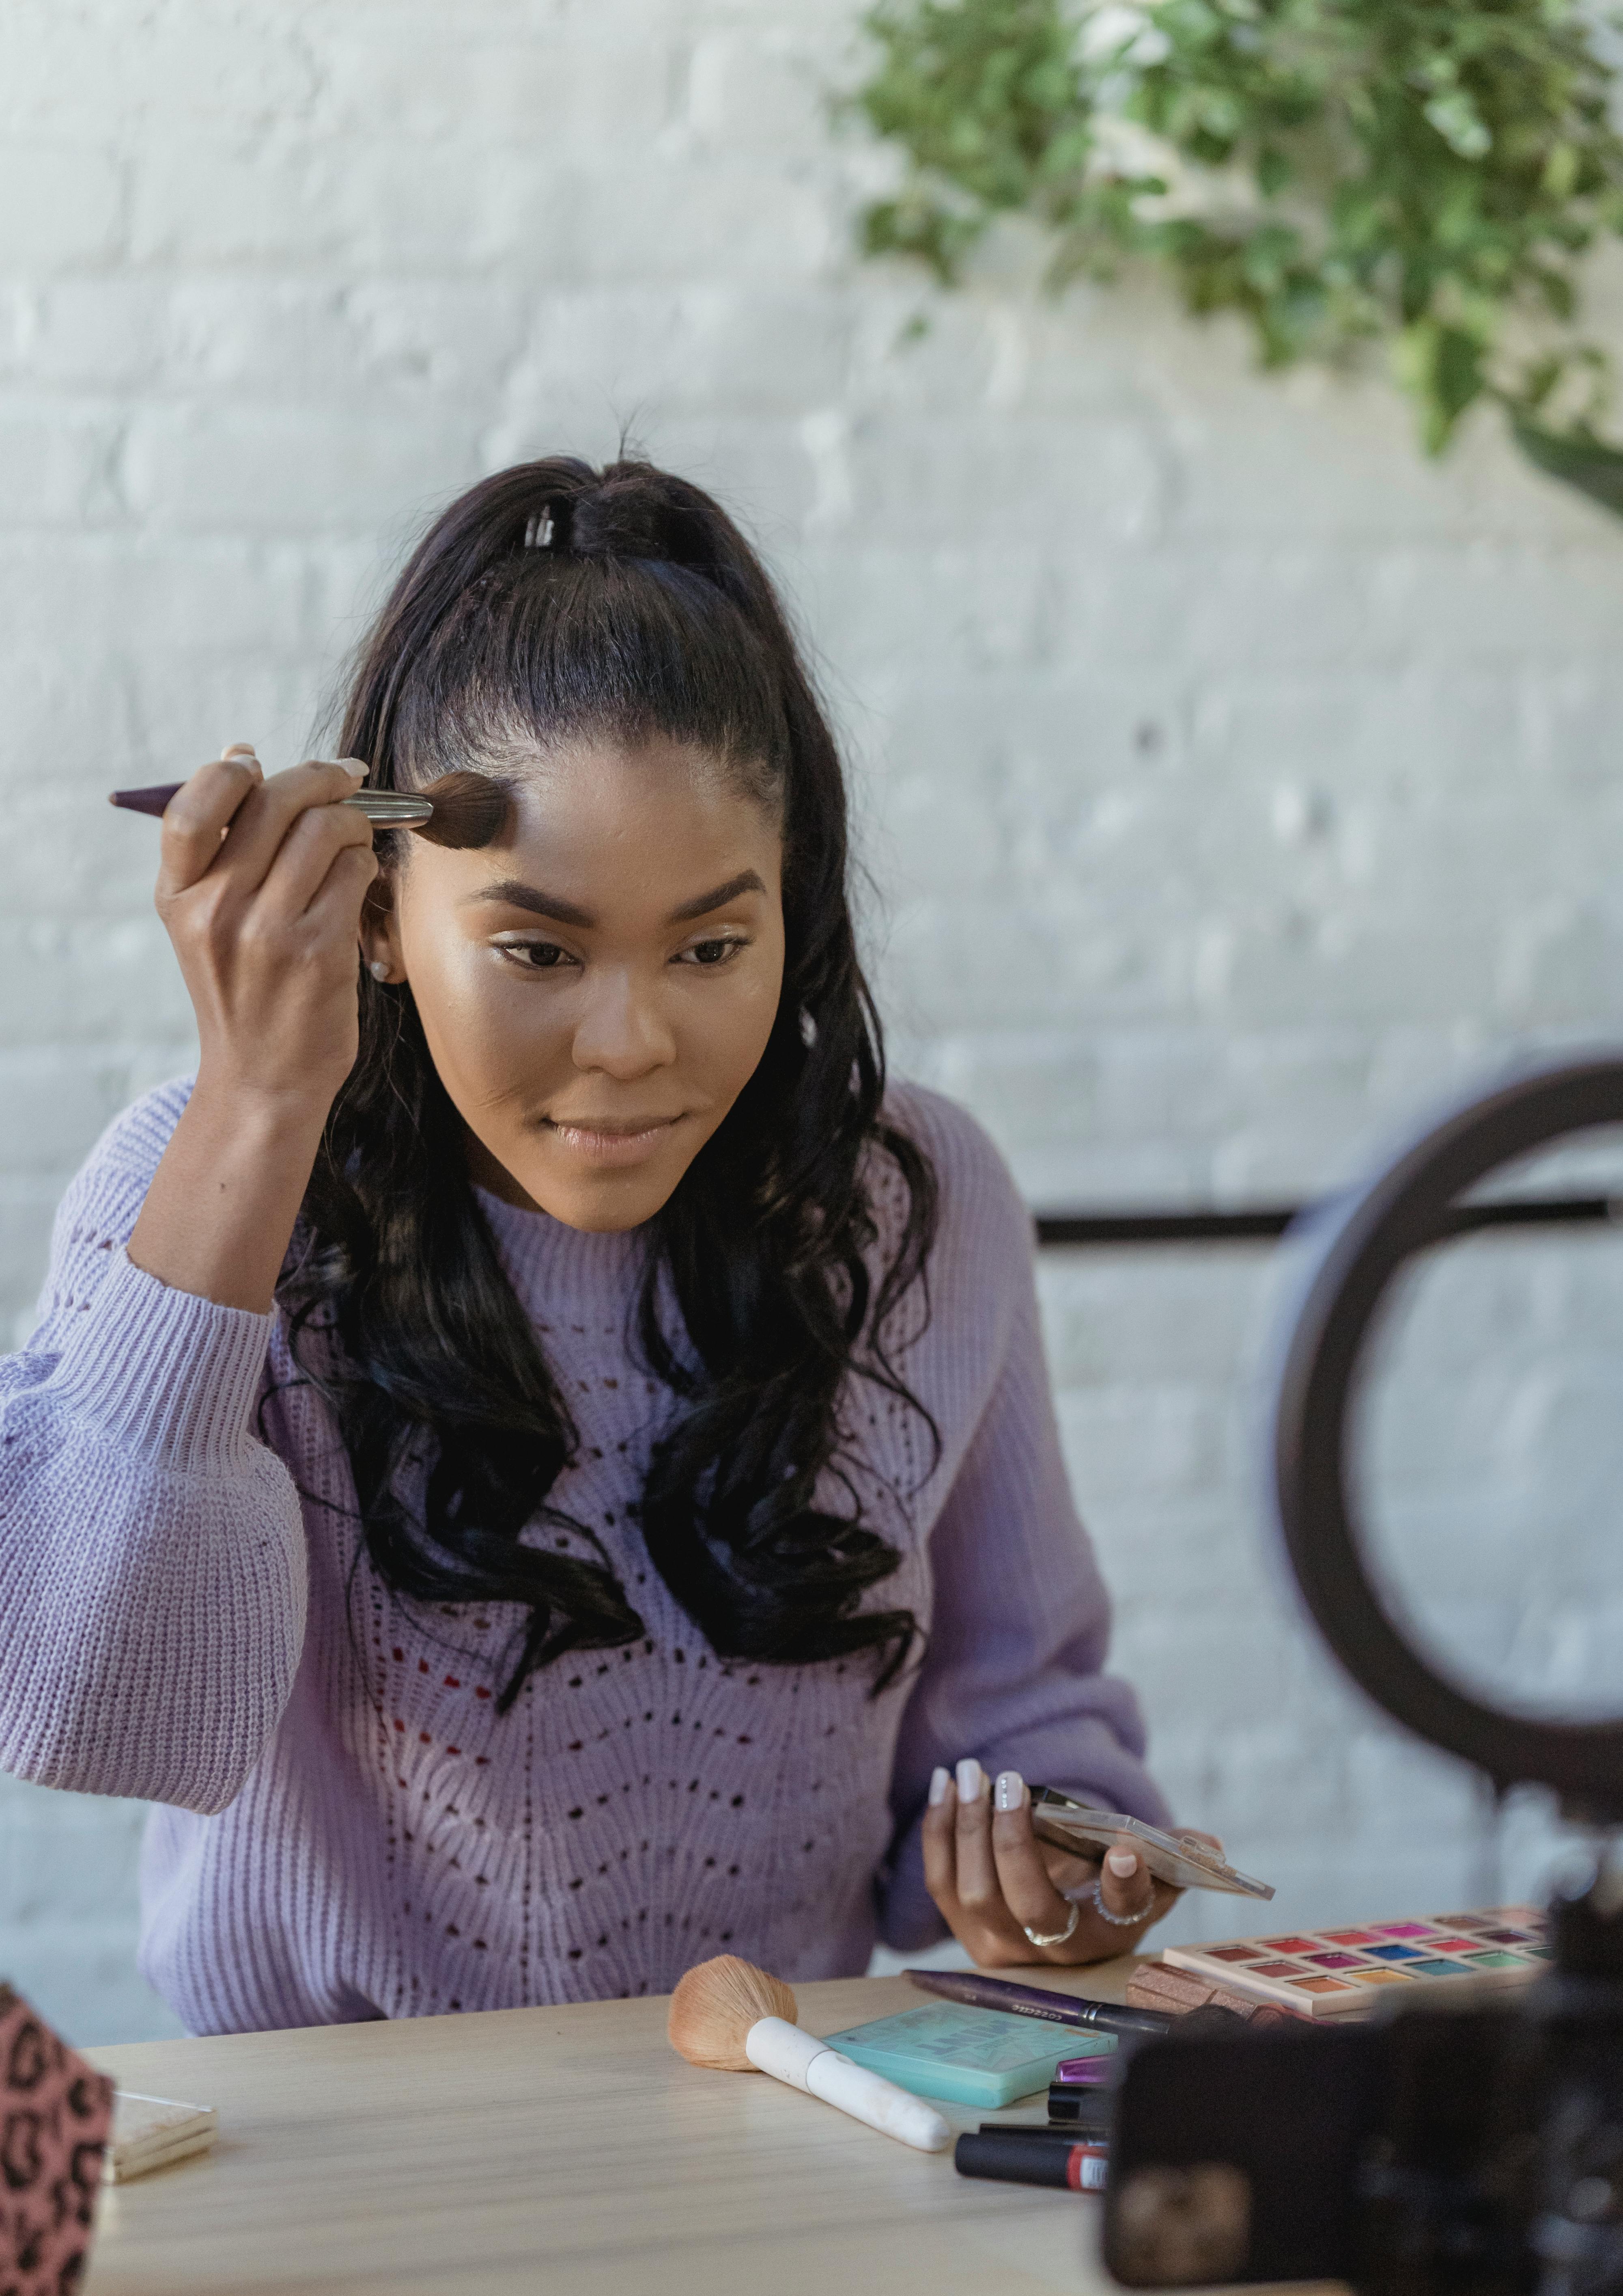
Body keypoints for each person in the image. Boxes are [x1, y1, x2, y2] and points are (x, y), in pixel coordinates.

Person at [0, 457, 1213, 2033]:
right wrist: (256, 1109)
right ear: (379, 916)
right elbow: (80, 1702)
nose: (631, 1043)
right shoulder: (209, 1170)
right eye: (535, 949)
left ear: (794, 912)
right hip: (340, 2162)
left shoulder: (917, 1199)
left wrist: (1054, 1872)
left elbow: (1017, 1717)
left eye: (712, 945)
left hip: (770, 2127)